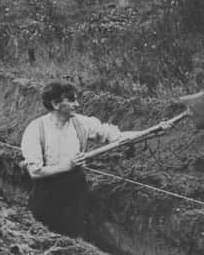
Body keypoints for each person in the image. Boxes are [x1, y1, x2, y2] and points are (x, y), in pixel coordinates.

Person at [20, 80, 145, 238]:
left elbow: (115, 137)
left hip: (75, 188)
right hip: (47, 190)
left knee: (74, 236)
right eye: (71, 100)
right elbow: (35, 172)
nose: (77, 104)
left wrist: (152, 130)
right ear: (56, 104)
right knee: (44, 236)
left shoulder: (82, 123)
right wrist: (66, 166)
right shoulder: (36, 130)